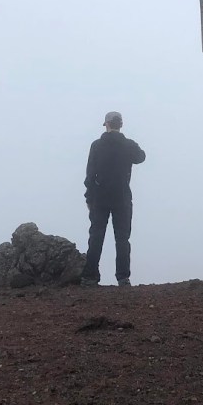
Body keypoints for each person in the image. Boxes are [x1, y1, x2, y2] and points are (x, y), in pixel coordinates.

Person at [81, 111, 146, 287]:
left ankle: (89, 278)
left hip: (99, 198)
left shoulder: (96, 146)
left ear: (107, 124)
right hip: (122, 198)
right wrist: (128, 143)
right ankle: (123, 278)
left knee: (96, 237)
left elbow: (90, 174)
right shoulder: (128, 145)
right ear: (121, 125)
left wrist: (89, 198)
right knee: (122, 239)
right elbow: (141, 157)